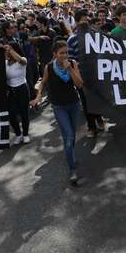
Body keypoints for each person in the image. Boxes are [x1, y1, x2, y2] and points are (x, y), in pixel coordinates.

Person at [31, 41, 85, 186]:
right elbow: (42, 83)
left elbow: (79, 84)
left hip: (73, 104)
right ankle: (73, 168)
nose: (64, 55)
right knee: (68, 138)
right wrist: (38, 96)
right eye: (61, 53)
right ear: (55, 54)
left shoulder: (72, 63)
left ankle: (70, 155)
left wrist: (71, 70)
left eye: (66, 52)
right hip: (59, 107)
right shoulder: (49, 67)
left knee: (72, 136)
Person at [68, 9, 104, 137]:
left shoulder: (95, 34)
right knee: (85, 101)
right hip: (82, 77)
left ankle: (99, 117)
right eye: (82, 21)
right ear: (77, 22)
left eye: (86, 20)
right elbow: (71, 59)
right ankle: (91, 127)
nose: (85, 22)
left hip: (95, 74)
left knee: (97, 97)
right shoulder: (72, 40)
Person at [4, 42, 31, 144]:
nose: (7, 51)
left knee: (24, 113)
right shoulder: (5, 63)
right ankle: (18, 134)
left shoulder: (23, 60)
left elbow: (20, 60)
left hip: (22, 89)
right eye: (7, 50)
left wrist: (10, 49)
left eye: (10, 49)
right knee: (11, 114)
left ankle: (25, 134)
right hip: (11, 91)